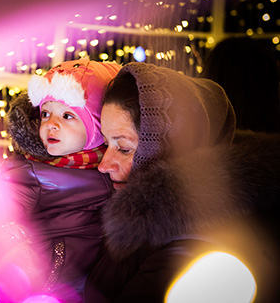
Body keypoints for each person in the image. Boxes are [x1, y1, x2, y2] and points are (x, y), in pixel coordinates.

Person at [85, 62, 280, 303]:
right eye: (106, 143)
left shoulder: (192, 249)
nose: (104, 165)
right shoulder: (133, 221)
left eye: (124, 148)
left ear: (171, 149)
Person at [0, 57, 119, 301]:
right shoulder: (32, 169)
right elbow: (2, 207)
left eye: (68, 116)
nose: (51, 124)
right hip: (51, 278)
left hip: (94, 275)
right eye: (46, 113)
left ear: (96, 127)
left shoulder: (108, 162)